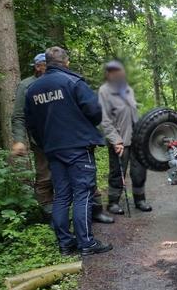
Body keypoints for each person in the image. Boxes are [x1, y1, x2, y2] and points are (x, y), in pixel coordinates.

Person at [25, 46, 113, 256]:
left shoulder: (33, 89)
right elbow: (95, 111)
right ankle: (86, 243)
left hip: (53, 149)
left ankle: (65, 243)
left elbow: (31, 124)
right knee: (83, 192)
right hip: (77, 147)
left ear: (46, 63)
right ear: (66, 62)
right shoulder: (73, 82)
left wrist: (46, 143)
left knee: (62, 195)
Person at [98, 60, 152, 214]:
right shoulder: (104, 91)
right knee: (117, 172)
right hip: (119, 140)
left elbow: (134, 114)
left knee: (139, 171)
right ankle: (113, 203)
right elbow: (105, 120)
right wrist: (116, 140)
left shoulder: (127, 89)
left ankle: (140, 200)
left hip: (135, 139)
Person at [10, 53, 54, 214]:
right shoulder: (26, 85)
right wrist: (19, 140)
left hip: (63, 138)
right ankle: (49, 215)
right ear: (38, 67)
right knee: (45, 176)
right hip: (40, 140)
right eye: (46, 66)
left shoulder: (58, 81)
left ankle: (82, 211)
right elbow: (19, 116)